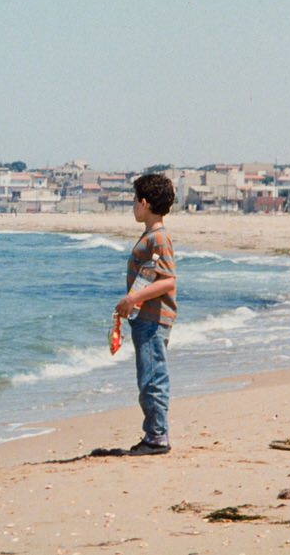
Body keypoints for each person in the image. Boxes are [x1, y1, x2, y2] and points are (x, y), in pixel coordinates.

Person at [115, 174, 177, 456]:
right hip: (144, 317)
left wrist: (132, 298)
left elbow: (168, 281)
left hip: (153, 319)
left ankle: (157, 436)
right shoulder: (151, 236)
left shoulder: (159, 238)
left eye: (134, 200)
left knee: (152, 378)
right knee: (148, 376)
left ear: (144, 203)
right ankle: (153, 433)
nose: (132, 206)